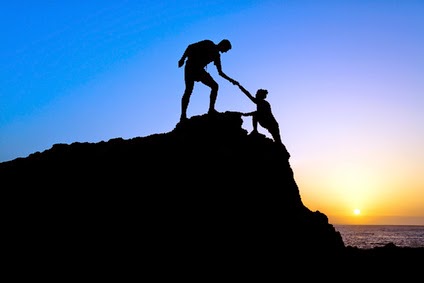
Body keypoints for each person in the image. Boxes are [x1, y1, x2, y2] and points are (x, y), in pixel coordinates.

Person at [178, 39, 237, 122]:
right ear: (223, 45)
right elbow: (190, 47)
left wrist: (231, 80)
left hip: (200, 71)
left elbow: (220, 72)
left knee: (215, 86)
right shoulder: (208, 43)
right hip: (190, 67)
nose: (225, 52)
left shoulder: (217, 56)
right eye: (226, 49)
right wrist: (182, 59)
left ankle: (211, 109)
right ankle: (183, 115)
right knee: (188, 90)